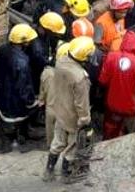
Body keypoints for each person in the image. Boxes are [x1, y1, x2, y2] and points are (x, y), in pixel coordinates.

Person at [44, 36, 95, 183]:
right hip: (73, 119)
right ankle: (67, 174)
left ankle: (48, 170)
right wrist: (85, 121)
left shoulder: (60, 62)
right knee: (72, 147)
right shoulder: (80, 78)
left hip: (60, 111)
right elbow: (82, 105)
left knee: (57, 142)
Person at [0, 24, 39, 153]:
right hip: (15, 102)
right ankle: (8, 146)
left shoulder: (3, 49)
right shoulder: (21, 63)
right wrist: (31, 101)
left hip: (4, 94)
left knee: (4, 119)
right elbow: (23, 87)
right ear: (24, 42)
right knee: (12, 122)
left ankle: (7, 141)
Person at [98, 30, 135, 140]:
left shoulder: (111, 57)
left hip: (112, 105)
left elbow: (103, 80)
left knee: (110, 135)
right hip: (131, 107)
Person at [39, 43, 70, 147]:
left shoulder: (46, 73)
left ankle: (50, 150)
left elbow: (42, 93)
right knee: (62, 138)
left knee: (50, 135)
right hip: (64, 111)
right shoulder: (73, 75)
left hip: (50, 109)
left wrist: (41, 100)